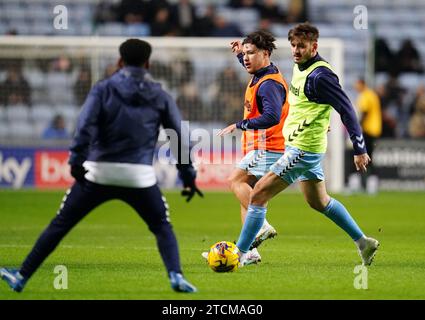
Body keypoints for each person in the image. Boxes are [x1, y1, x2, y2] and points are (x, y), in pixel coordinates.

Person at [0, 39, 203, 293]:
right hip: (138, 175)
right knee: (162, 226)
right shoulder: (160, 94)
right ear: (148, 63)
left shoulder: (103, 89)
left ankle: (21, 275)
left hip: (98, 172)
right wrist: (188, 175)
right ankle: (175, 274)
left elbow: (85, 126)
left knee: (60, 224)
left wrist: (76, 161)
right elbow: (178, 136)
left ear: (119, 61)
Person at [223, 23, 379, 267]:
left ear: (314, 46)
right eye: (293, 45)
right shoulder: (300, 67)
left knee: (259, 194)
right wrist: (318, 121)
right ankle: (364, 242)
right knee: (319, 202)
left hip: (303, 149)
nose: (296, 50)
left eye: (301, 46)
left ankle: (239, 255)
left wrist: (359, 149)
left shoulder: (321, 76)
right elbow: (310, 104)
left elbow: (346, 108)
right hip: (303, 145)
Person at [203, 31, 290, 263]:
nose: (247, 58)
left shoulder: (268, 84)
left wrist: (239, 124)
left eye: (251, 53)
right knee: (248, 197)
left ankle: (261, 225)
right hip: (262, 145)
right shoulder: (263, 73)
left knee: (235, 181)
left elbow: (271, 117)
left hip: (268, 145)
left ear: (266, 53)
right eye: (246, 53)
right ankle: (249, 252)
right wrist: (239, 55)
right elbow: (249, 63)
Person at [351, 78, 382, 194]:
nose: (355, 87)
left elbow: (364, 112)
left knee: (362, 156)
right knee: (369, 157)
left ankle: (362, 184)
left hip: (368, 130)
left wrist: (357, 128)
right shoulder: (371, 95)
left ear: (361, 84)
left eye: (357, 84)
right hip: (374, 130)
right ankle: (370, 184)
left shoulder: (366, 95)